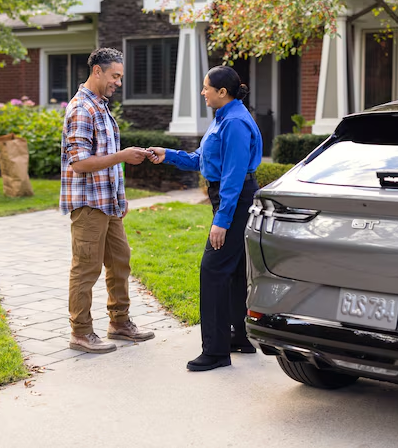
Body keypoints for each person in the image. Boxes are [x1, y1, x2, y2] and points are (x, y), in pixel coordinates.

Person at [148, 65, 263, 371]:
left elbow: (234, 176)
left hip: (235, 200)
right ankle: (240, 337)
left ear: (221, 92)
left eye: (206, 88)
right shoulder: (223, 118)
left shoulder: (235, 123)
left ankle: (215, 352)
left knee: (212, 271)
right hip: (229, 198)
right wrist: (167, 153)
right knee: (235, 269)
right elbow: (200, 159)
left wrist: (222, 221)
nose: (203, 93)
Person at [60, 47, 155, 353]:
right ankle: (81, 332)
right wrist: (123, 155)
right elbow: (79, 163)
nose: (118, 82)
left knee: (120, 261)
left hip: (108, 202)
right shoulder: (81, 109)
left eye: (120, 77)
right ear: (97, 71)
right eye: (115, 76)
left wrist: (120, 196)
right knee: (86, 268)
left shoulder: (100, 106)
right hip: (88, 204)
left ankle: (119, 323)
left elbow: (109, 161)